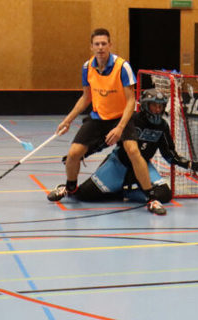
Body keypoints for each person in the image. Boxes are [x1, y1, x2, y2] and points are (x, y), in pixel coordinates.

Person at [67, 89, 198, 215]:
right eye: (154, 106)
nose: (158, 110)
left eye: (160, 106)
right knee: (84, 195)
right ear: (146, 106)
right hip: (119, 164)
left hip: (143, 166)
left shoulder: (163, 126)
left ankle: (126, 193)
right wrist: (83, 154)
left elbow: (169, 154)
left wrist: (188, 164)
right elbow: (105, 141)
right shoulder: (131, 120)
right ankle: (65, 188)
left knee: (165, 194)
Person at [47, 28, 137, 203]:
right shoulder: (87, 67)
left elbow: (131, 100)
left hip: (120, 118)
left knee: (133, 151)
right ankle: (70, 188)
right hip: (98, 118)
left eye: (104, 44)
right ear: (92, 47)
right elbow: (85, 98)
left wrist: (120, 128)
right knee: (73, 154)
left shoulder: (122, 66)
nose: (101, 47)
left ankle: (150, 195)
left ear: (110, 45)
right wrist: (68, 120)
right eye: (97, 44)